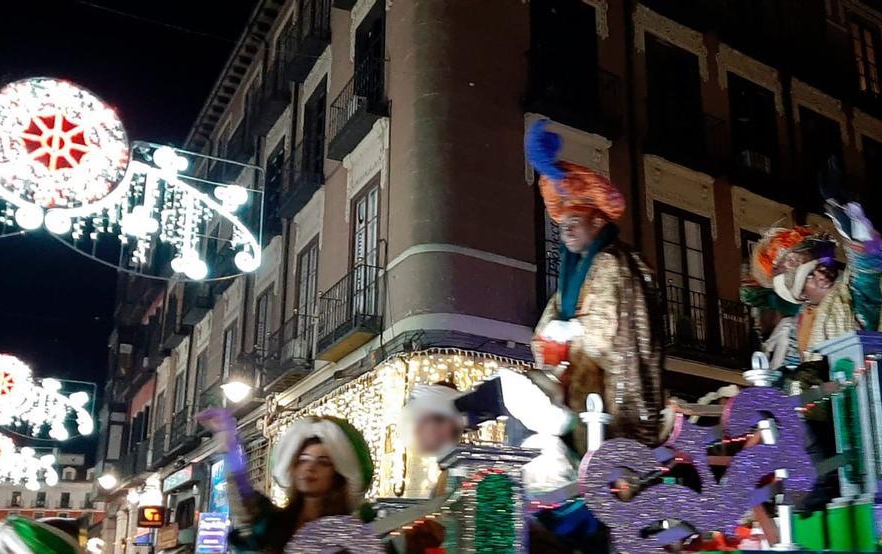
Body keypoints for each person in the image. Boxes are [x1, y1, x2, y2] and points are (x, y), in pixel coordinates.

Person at [525, 119, 665, 450]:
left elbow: (607, 329)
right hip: (577, 380)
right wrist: (548, 336)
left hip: (606, 385)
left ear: (597, 221)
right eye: (563, 225)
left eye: (575, 222)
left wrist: (571, 331)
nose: (567, 231)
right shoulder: (573, 273)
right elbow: (553, 317)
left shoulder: (611, 261)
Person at [741, 201, 882, 368]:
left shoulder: (850, 294)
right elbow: (792, 375)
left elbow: (867, 276)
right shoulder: (794, 329)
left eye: (822, 266)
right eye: (810, 274)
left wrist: (857, 233)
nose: (822, 274)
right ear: (801, 295)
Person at [196, 409, 374, 553]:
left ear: (338, 474)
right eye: (303, 459)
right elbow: (244, 500)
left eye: (323, 462)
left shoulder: (350, 535)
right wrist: (230, 447)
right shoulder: (276, 524)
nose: (310, 468)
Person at [403, 369, 576, 493]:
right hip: (524, 423)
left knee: (557, 424)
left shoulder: (468, 404)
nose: (443, 436)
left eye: (437, 431)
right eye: (439, 441)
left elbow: (558, 421)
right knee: (544, 469)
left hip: (520, 398)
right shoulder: (462, 431)